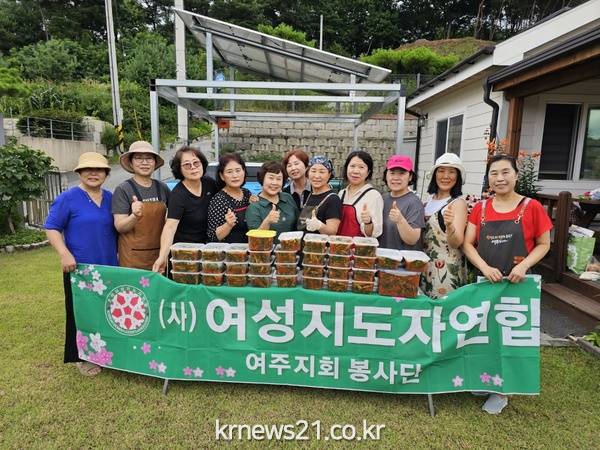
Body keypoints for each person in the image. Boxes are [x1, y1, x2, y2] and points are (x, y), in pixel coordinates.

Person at [463, 154, 552, 415]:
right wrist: (484, 267)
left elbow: (544, 244)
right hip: (486, 281)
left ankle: (503, 390)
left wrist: (523, 266)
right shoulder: (480, 208)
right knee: (483, 333)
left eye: (505, 172)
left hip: (518, 284)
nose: (499, 178)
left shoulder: (532, 207)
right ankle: (485, 380)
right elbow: (468, 243)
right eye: (494, 173)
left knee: (510, 337)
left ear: (516, 175)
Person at [44, 152, 118, 377]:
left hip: (108, 268)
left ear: (106, 174)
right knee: (80, 313)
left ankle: (107, 353)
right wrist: (64, 253)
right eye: (88, 169)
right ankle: (82, 357)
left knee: (106, 311)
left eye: (99, 170)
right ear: (79, 173)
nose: (93, 173)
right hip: (79, 270)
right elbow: (52, 227)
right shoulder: (68, 198)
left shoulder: (111, 198)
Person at [152, 146, 217, 273]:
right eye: (187, 165)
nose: (193, 167)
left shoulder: (209, 183)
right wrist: (162, 256)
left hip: (207, 250)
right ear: (180, 170)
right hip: (185, 254)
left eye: (196, 162)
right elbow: (170, 227)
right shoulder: (178, 194)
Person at [112, 141, 170, 270]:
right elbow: (120, 226)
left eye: (149, 158)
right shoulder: (123, 189)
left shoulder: (162, 187)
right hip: (132, 257)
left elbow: (172, 219)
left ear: (154, 162)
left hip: (159, 254)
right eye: (138, 158)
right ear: (131, 163)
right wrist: (134, 216)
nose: (144, 162)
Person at [421, 153, 469, 298]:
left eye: (452, 172)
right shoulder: (427, 202)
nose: (446, 176)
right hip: (424, 269)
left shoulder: (457, 204)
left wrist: (449, 226)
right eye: (441, 171)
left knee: (442, 310)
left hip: (446, 272)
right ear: (434, 174)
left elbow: (456, 243)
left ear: (458, 177)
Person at [379, 155, 425, 250]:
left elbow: (412, 239)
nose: (396, 178)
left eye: (401, 173)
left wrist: (400, 220)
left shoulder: (414, 202)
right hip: (382, 257)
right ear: (386, 175)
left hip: (403, 259)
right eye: (392, 173)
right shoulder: (382, 199)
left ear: (410, 177)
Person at [246, 161, 299, 239]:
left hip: (291, 245)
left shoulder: (287, 198)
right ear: (262, 178)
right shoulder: (254, 207)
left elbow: (298, 225)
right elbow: (255, 240)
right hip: (268, 247)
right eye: (271, 178)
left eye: (279, 179)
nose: (274, 183)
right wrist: (267, 222)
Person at [207, 153, 252, 243]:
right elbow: (212, 237)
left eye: (238, 170)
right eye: (229, 172)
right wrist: (228, 225)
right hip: (229, 250)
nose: (235, 175)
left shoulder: (247, 193)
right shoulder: (219, 200)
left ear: (244, 172)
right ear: (222, 176)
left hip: (249, 248)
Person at [337, 150, 383, 238]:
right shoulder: (341, 193)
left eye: (361, 167)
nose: (356, 171)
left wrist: (368, 222)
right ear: (346, 168)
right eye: (352, 166)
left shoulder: (373, 196)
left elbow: (373, 234)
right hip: (338, 244)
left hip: (359, 246)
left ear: (368, 172)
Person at [297, 155, 342, 235]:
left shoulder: (333, 199)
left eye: (322, 172)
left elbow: (332, 232)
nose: (317, 176)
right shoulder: (309, 195)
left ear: (329, 174)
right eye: (313, 171)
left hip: (319, 243)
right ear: (308, 173)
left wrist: (319, 225)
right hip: (303, 241)